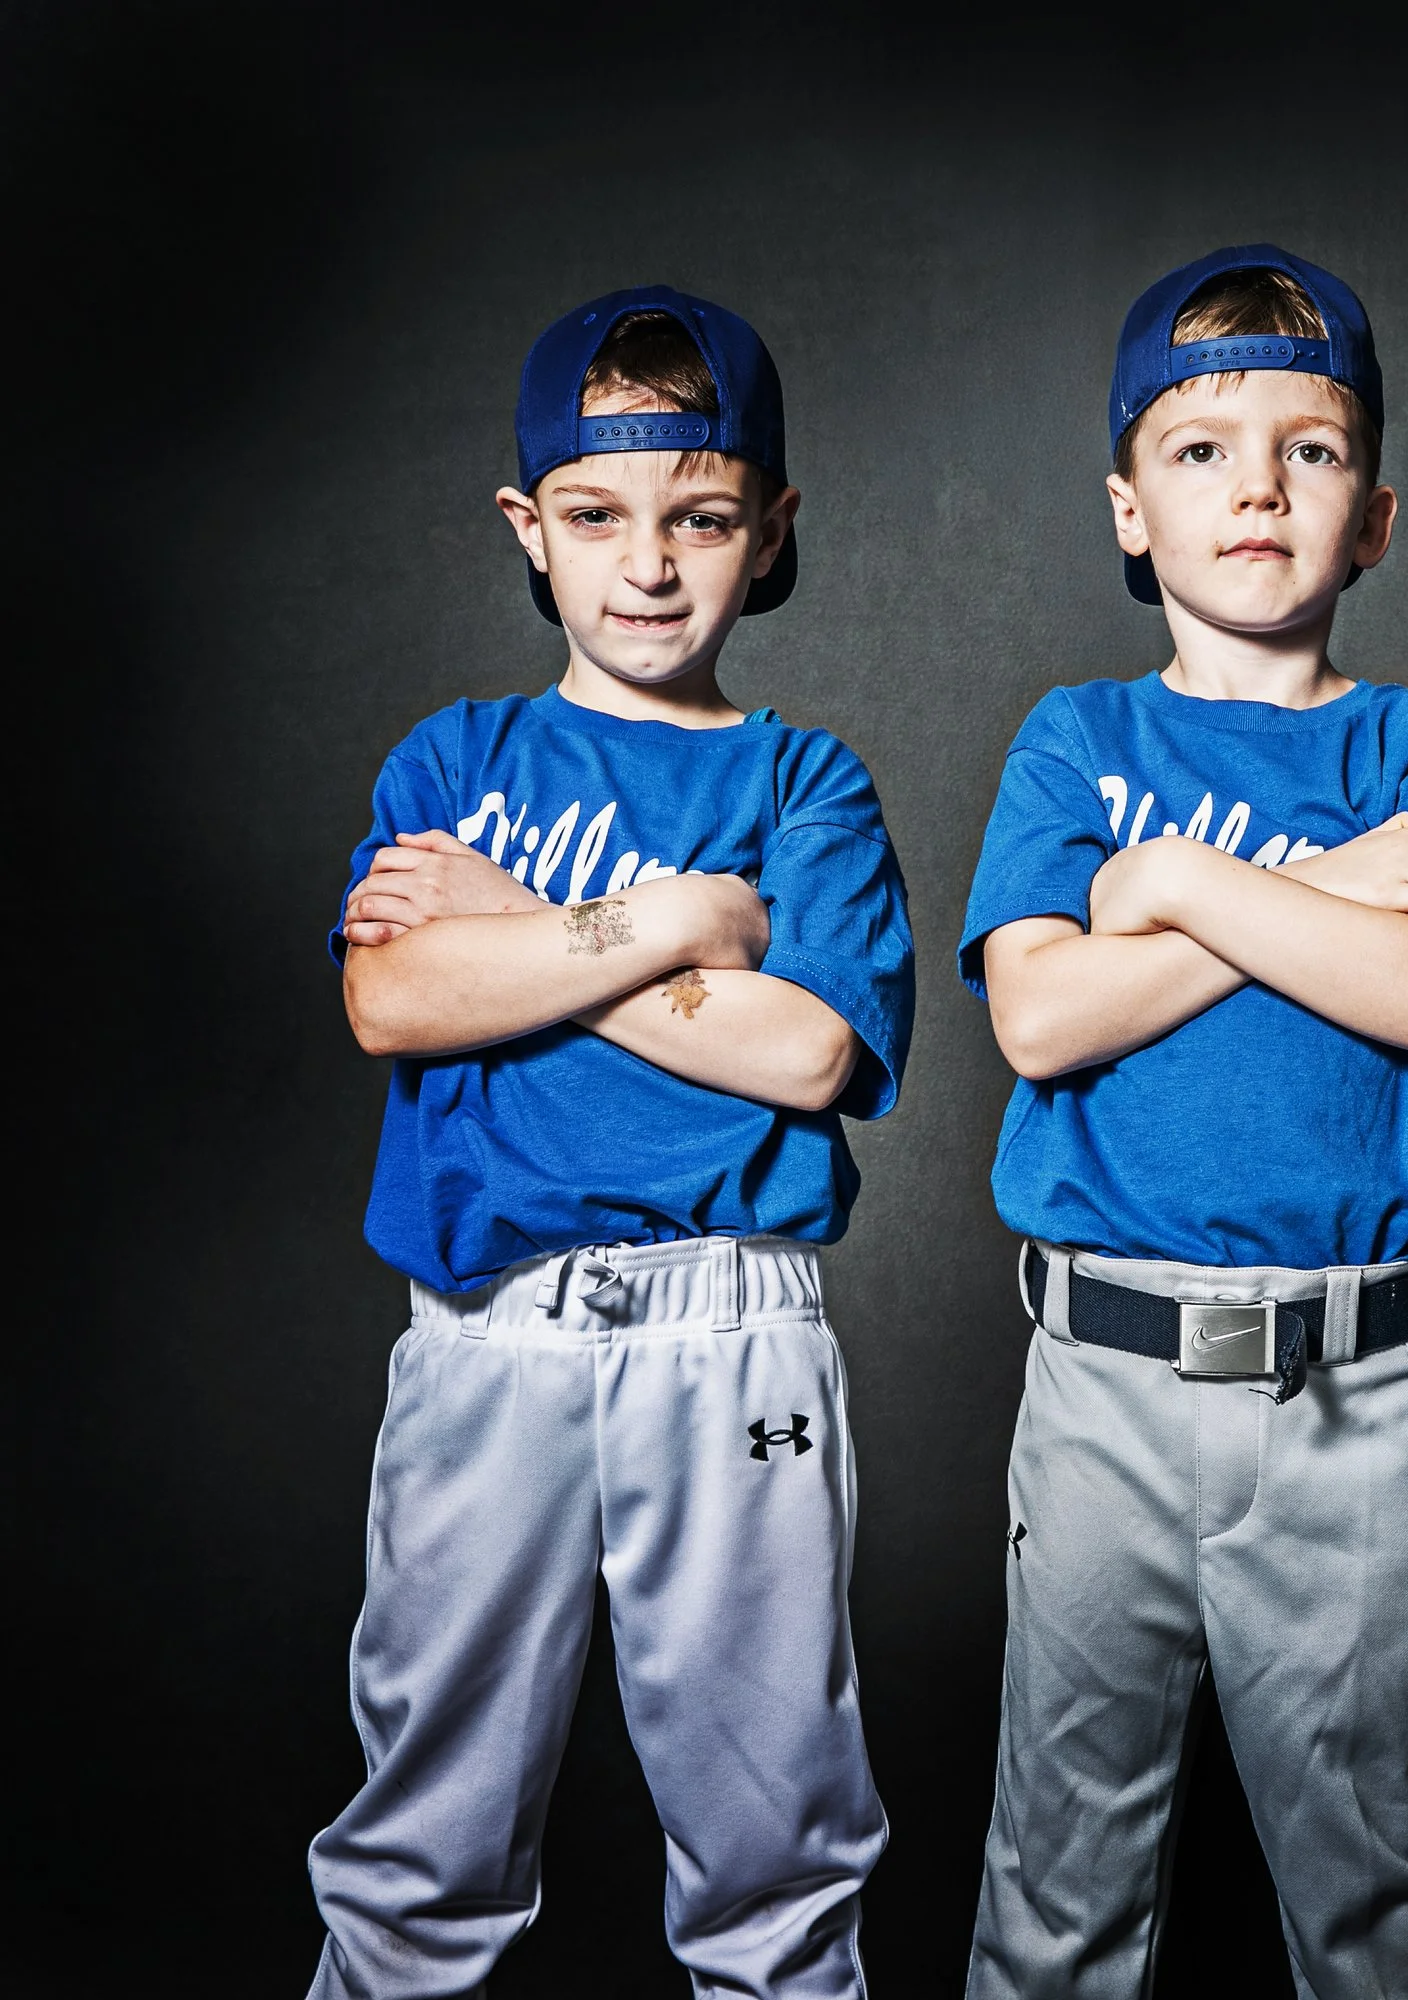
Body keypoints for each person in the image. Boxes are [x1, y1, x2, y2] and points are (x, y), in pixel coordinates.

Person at [303, 286, 914, 2000]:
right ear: (532, 527)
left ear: (768, 528)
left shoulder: (809, 782)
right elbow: (393, 1002)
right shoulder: (459, 761)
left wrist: (524, 939)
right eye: (597, 516)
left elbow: (805, 1050)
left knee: (775, 1829)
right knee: (425, 1830)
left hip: (734, 1333)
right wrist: (660, 927)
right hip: (486, 1339)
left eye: (700, 517)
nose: (648, 563)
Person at [957, 245, 1408, 2000]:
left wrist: (1173, 884)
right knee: (1058, 1889)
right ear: (1131, 510)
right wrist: (1327, 900)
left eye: (1312, 450)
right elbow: (1040, 1014)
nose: (1259, 486)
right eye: (1201, 452)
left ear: (1380, 514)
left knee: (1377, 1900)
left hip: (1352, 1389)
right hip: (1101, 1378)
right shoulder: (1075, 737)